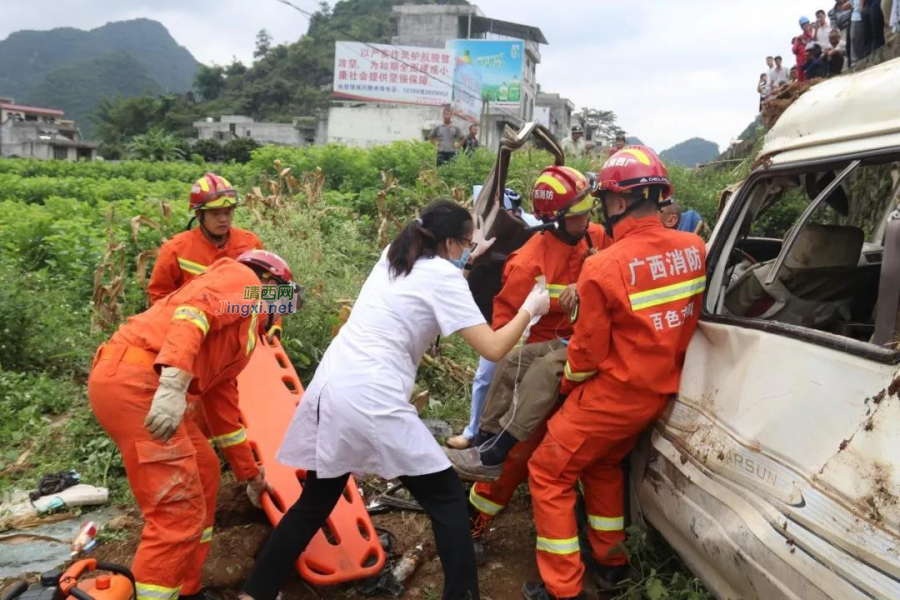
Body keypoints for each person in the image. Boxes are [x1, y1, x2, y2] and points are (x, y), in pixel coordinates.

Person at [239, 200, 551, 600]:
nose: (465, 251)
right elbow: (492, 347)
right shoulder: (443, 276)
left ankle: (254, 593)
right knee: (448, 499)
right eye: (465, 243)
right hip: (373, 397)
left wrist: (469, 258)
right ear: (450, 242)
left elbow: (436, 279)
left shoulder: (395, 254)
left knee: (315, 502)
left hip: (332, 386)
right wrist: (530, 309)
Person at [521, 146, 707, 600]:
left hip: (610, 397)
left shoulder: (602, 266)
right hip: (660, 393)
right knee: (602, 464)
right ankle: (612, 564)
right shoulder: (694, 248)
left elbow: (584, 355)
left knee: (548, 472)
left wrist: (564, 386)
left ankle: (562, 588)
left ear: (619, 203)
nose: (602, 209)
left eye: (604, 200)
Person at [89, 249, 296, 600]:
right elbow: (193, 314)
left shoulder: (235, 343)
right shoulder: (244, 282)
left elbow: (224, 417)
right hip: (141, 381)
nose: (279, 315)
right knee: (176, 514)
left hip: (136, 380)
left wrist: (250, 474)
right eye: (281, 300)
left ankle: (187, 589)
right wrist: (173, 382)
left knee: (205, 468)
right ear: (271, 283)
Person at [445, 166, 611, 481]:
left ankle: (492, 448)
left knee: (544, 369)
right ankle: (484, 440)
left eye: (589, 212)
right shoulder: (527, 263)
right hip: (547, 340)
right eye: (578, 216)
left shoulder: (595, 237)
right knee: (508, 364)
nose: (586, 221)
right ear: (556, 218)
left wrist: (594, 269)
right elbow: (506, 326)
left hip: (585, 339)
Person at [446, 186, 541, 451]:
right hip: (490, 316)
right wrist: (473, 252)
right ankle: (474, 432)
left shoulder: (532, 231)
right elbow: (453, 276)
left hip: (527, 316)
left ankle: (512, 440)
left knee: (523, 378)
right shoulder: (473, 236)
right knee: (486, 375)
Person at [147, 173, 283, 336]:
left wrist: (274, 323)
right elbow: (160, 297)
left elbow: (268, 289)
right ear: (199, 215)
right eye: (215, 214)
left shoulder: (250, 243)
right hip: (194, 333)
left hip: (242, 334)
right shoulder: (176, 249)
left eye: (228, 212)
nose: (223, 219)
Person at [793, 17, 814, 82]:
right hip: (801, 64)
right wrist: (799, 43)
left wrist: (804, 43)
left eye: (805, 24)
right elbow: (794, 50)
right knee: (801, 81)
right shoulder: (798, 38)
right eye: (802, 25)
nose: (804, 26)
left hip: (811, 61)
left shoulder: (813, 35)